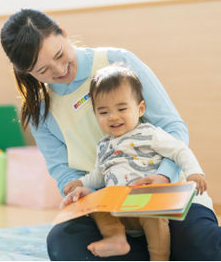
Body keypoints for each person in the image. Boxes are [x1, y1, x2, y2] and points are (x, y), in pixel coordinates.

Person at [0, 8, 221, 261]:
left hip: (164, 195)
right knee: (63, 243)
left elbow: (174, 128)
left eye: (59, 54)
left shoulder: (117, 62)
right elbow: (63, 172)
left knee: (201, 245)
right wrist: (82, 193)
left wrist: (162, 176)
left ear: (64, 33)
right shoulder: (39, 110)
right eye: (43, 70)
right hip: (108, 211)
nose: (58, 69)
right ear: (26, 72)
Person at [61, 64, 207, 260]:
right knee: (95, 203)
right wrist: (81, 183)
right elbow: (99, 174)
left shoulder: (148, 133)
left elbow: (179, 150)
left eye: (121, 108)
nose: (113, 117)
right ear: (95, 114)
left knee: (153, 217)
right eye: (103, 112)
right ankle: (116, 239)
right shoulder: (103, 145)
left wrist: (194, 172)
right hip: (117, 208)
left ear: (140, 109)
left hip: (146, 204)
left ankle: (159, 257)